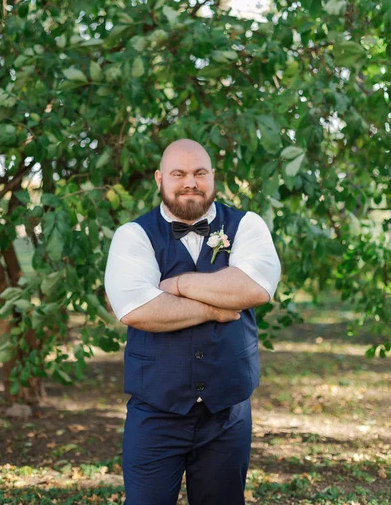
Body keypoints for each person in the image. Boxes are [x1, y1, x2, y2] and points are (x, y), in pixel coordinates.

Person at [104, 139, 281, 505]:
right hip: (155, 413)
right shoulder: (132, 235)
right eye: (178, 174)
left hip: (227, 415)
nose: (190, 182)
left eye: (200, 173)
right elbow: (137, 309)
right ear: (159, 178)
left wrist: (180, 285)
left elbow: (255, 287)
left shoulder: (247, 225)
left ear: (212, 177)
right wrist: (216, 307)